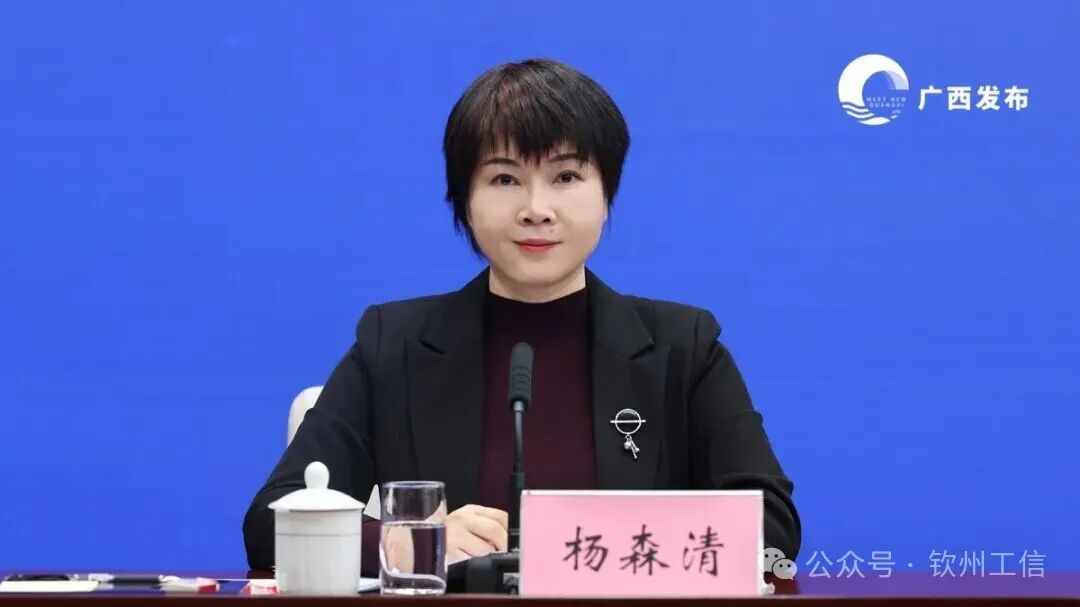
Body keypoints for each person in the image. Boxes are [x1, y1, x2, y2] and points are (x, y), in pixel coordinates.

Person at [243, 58, 800, 573]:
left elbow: (772, 529)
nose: (536, 209)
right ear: (464, 200)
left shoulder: (684, 346)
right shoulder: (394, 345)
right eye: (505, 179)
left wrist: (584, 546)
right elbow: (270, 524)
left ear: (607, 194)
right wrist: (403, 541)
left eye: (566, 177)